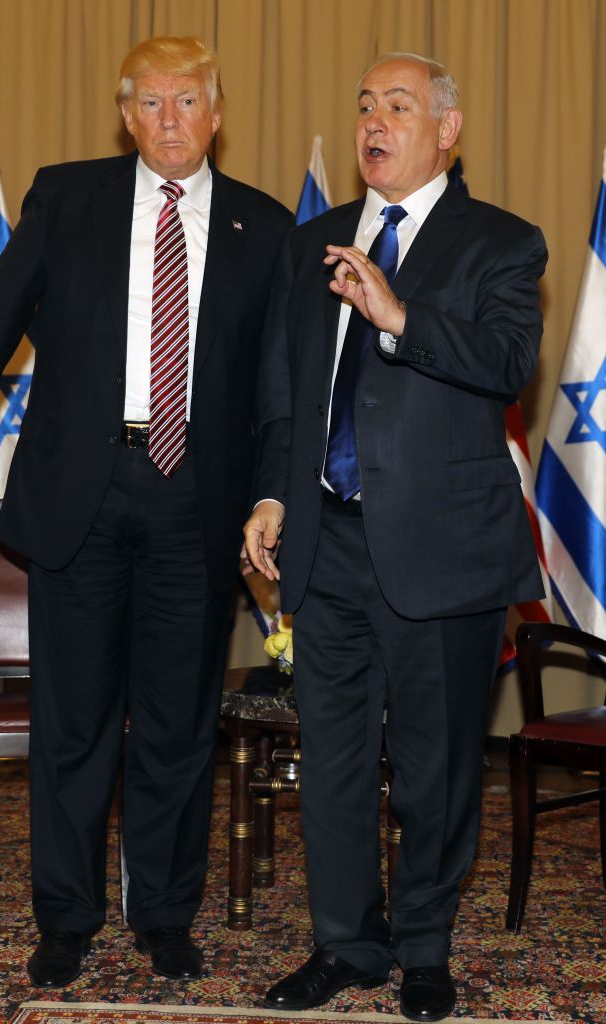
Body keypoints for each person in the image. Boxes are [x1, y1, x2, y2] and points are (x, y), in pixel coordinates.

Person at [0, 36, 292, 989]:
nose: (170, 121)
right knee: (72, 722)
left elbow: (279, 387)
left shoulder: (264, 224)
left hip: (196, 501)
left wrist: (269, 489)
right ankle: (68, 917)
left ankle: (164, 914)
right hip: (83, 488)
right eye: (150, 104)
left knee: (173, 724)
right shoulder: (66, 195)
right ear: (127, 115)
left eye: (187, 103)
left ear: (217, 112)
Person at [243, 52, 546, 1022]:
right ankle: (346, 944)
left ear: (446, 130)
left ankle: (422, 950)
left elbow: (505, 363)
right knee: (331, 763)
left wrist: (398, 314)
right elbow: (286, 390)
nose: (375, 120)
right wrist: (269, 498)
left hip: (441, 547)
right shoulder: (316, 239)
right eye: (365, 103)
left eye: (399, 105)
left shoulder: (501, 241)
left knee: (434, 768)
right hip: (324, 540)